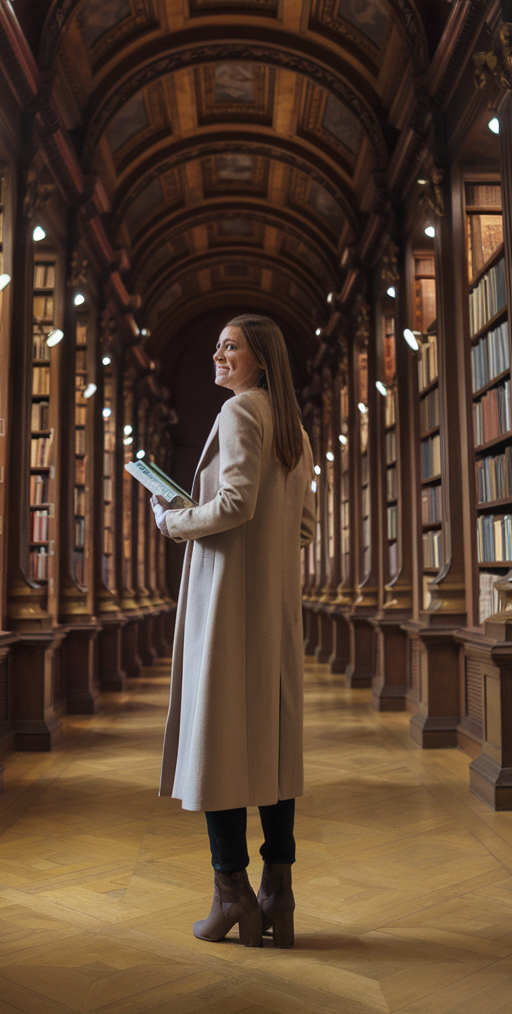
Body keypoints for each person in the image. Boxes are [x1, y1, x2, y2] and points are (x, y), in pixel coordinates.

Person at [151, 314, 316, 949]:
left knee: (216, 745)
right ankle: (279, 892)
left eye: (231, 347)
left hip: (226, 604)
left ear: (260, 360)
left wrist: (173, 518)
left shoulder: (241, 412)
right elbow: (302, 527)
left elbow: (235, 504)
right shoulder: (294, 426)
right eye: (216, 344)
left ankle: (231, 893)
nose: (218, 354)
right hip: (272, 607)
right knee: (272, 750)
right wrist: (268, 556)